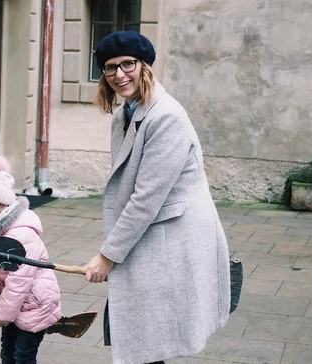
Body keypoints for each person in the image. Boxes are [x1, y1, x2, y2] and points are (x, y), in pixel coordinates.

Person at [82, 30, 231, 364]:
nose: (119, 75)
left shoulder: (166, 116)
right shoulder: (125, 113)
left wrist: (108, 256)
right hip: (150, 230)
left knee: (149, 334)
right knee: (142, 336)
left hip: (171, 234)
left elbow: (146, 198)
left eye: (127, 64)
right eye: (109, 68)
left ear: (144, 65)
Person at [0, 152, 62, 364]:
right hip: (13, 308)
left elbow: (19, 283)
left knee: (23, 356)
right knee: (7, 354)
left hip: (36, 305)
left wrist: (2, 316)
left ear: (2, 204)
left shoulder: (22, 236)